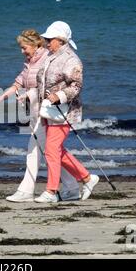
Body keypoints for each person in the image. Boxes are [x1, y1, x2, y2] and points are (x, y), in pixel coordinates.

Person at [0, 29, 81, 202]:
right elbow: (19, 83)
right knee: (52, 153)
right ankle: (73, 187)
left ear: (35, 45)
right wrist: (0, 99)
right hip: (36, 113)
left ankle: (26, 190)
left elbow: (45, 87)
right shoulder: (29, 63)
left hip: (48, 112)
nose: (22, 51)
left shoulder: (47, 59)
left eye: (24, 48)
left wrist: (29, 94)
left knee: (36, 152)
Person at [34, 21, 99, 203]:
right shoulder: (50, 55)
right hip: (49, 110)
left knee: (51, 150)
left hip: (65, 111)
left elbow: (76, 86)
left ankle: (51, 191)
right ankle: (87, 178)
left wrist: (59, 96)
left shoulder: (71, 59)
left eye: (49, 39)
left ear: (61, 40)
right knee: (55, 150)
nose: (46, 42)